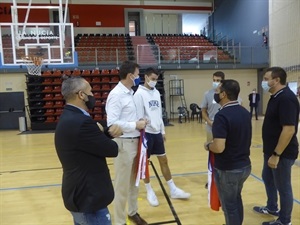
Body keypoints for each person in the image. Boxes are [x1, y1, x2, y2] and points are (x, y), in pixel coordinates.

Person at [54, 75, 122, 225]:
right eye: (90, 92)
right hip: (89, 198)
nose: (93, 96)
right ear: (81, 95)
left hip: (79, 193)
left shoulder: (69, 117)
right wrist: (104, 134)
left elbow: (87, 144)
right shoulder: (82, 122)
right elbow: (112, 149)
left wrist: (105, 133)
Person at [133, 67, 191, 207]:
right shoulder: (139, 94)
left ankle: (173, 189)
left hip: (157, 133)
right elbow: (139, 116)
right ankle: (149, 190)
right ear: (146, 77)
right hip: (146, 134)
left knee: (164, 160)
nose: (154, 81)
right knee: (145, 164)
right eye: (152, 79)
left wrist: (162, 130)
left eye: (156, 79)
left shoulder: (157, 92)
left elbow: (158, 114)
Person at [253, 67, 299, 225]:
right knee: (267, 178)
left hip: (282, 153)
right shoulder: (275, 96)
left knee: (283, 186)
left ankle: (285, 220)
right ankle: (272, 207)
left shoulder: (286, 98)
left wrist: (276, 154)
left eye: (266, 79)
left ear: (277, 80)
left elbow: (289, 129)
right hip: (271, 151)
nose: (264, 82)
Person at [106, 61, 148, 225]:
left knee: (134, 183)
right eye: (137, 75)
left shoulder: (130, 93)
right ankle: (119, 221)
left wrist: (141, 121)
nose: (138, 77)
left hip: (136, 142)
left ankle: (132, 212)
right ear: (130, 76)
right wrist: (134, 125)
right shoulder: (116, 95)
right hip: (123, 144)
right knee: (122, 186)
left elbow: (130, 118)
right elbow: (112, 123)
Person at [204, 79, 252, 225]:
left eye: (218, 91)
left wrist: (208, 146)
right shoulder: (244, 112)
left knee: (229, 206)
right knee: (236, 199)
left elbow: (219, 147)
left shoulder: (222, 116)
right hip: (244, 166)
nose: (216, 93)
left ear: (224, 94)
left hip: (229, 169)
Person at [200, 71, 225, 190]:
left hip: (224, 129)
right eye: (214, 80)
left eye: (219, 80)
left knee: (223, 151)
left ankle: (223, 178)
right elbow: (203, 110)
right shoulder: (207, 94)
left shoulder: (226, 95)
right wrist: (209, 121)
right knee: (212, 153)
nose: (216, 83)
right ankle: (211, 179)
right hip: (211, 128)